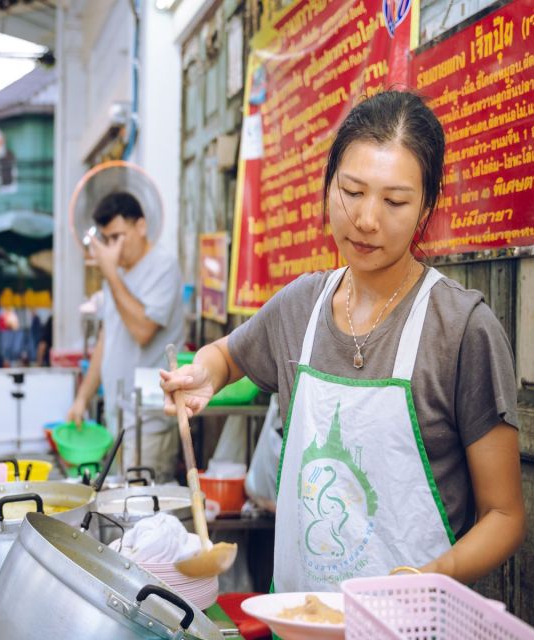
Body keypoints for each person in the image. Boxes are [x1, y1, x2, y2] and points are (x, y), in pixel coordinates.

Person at [161, 90, 524, 591]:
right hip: (298, 620)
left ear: (425, 211)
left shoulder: (461, 329)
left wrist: (435, 576)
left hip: (410, 622)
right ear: (329, 186)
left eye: (395, 201)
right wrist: (204, 372)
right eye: (352, 192)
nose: (367, 219)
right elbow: (225, 356)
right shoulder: (299, 307)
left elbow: (504, 514)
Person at [67, 191, 185, 481]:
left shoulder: (163, 266)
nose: (112, 248)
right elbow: (107, 339)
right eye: (107, 240)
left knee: (145, 510)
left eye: (118, 237)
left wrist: (110, 273)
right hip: (118, 418)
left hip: (151, 421)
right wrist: (82, 397)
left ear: (141, 227)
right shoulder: (116, 274)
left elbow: (142, 330)